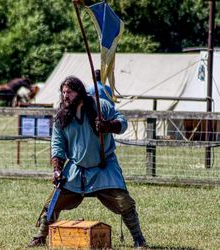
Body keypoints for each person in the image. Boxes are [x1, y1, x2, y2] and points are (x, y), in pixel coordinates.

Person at [28, 76, 146, 249]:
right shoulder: (62, 116)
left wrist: (108, 125)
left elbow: (123, 123)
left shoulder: (101, 106)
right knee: (52, 203)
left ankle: (139, 239)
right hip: (76, 170)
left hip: (103, 168)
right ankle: (40, 237)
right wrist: (57, 169)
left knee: (124, 203)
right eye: (63, 92)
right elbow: (57, 145)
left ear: (79, 92)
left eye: (69, 92)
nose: (65, 96)